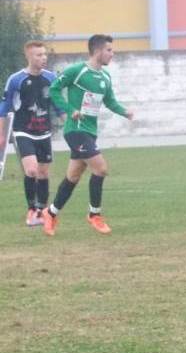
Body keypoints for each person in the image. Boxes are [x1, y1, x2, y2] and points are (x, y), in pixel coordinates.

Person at [42, 34, 134, 236]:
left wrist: (125, 112)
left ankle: (50, 213)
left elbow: (110, 101)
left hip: (90, 132)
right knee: (100, 168)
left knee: (73, 176)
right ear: (98, 51)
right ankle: (94, 215)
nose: (112, 53)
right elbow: (55, 89)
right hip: (75, 130)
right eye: (109, 50)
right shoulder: (77, 71)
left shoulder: (105, 77)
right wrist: (69, 110)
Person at [0, 41, 58, 226]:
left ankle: (42, 210)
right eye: (38, 55)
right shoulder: (16, 79)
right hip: (23, 131)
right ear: (29, 57)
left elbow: (57, 103)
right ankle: (32, 209)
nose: (43, 58)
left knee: (43, 173)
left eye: (44, 54)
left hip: (44, 132)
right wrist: (1, 134)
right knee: (32, 170)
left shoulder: (51, 78)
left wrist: (68, 119)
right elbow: (4, 108)